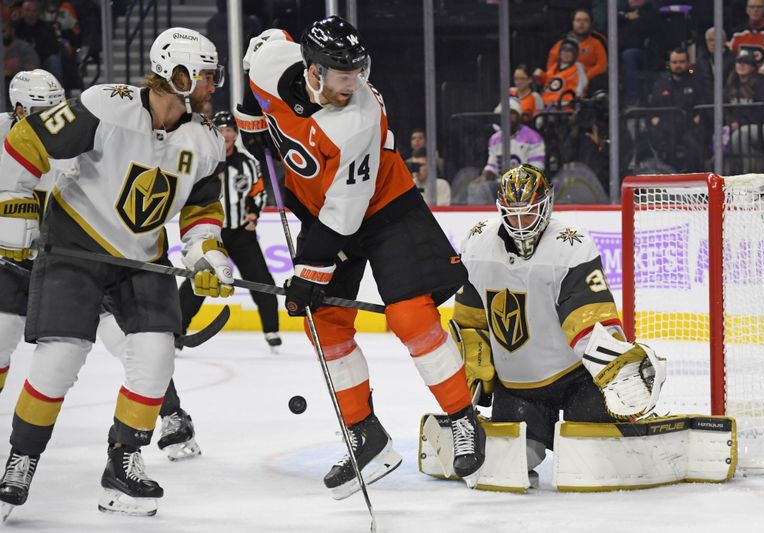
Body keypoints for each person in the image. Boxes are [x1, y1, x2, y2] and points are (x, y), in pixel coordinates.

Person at [238, 16, 485, 497]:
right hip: (319, 208)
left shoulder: (359, 117)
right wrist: (253, 120)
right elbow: (253, 61)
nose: (351, 85)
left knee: (410, 316)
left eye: (356, 74)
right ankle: (365, 435)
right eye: (340, 76)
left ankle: (462, 418)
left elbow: (344, 212)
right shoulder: (272, 59)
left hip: (386, 207)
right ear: (311, 69)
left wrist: (311, 270)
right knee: (323, 322)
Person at [0, 27, 229, 518]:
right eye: (205, 75)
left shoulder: (205, 141)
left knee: (156, 358)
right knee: (59, 359)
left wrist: (205, 254)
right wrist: (15, 205)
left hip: (142, 259)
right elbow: (28, 139)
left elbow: (201, 212)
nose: (214, 85)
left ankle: (122, 465)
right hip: (76, 246)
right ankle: (21, 460)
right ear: (176, 73)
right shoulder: (108, 104)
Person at [451, 164, 627, 481]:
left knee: (588, 459)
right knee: (514, 465)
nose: (519, 223)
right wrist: (475, 370)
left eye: (529, 213)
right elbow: (470, 321)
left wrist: (615, 369)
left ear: (546, 205)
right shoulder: (478, 243)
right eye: (512, 213)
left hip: (575, 380)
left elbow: (589, 318)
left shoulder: (571, 245)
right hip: (518, 387)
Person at [177, 110, 281, 351]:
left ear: (236, 133)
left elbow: (258, 193)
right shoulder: (204, 160)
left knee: (261, 281)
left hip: (241, 233)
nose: (226, 134)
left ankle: (272, 331)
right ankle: (177, 331)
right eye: (221, 130)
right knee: (199, 280)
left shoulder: (248, 163)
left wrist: (254, 213)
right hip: (212, 233)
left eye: (230, 130)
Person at [469, 97, 545, 205]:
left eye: (511, 114)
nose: (507, 117)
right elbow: (492, 166)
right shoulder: (495, 139)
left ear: (519, 116)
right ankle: (482, 219)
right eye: (504, 114)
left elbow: (537, 169)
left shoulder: (532, 137)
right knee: (478, 188)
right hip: (500, 186)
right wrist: (484, 177)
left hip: (525, 187)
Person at [646, 48, 706, 171]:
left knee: (693, 141)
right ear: (669, 64)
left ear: (687, 62)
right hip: (666, 126)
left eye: (681, 62)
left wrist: (698, 117)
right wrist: (654, 119)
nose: (678, 65)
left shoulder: (696, 82)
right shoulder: (661, 84)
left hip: (690, 125)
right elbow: (652, 109)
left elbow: (703, 104)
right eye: (675, 62)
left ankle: (694, 175)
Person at [544, 9, 607, 86]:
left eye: (585, 20)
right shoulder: (562, 42)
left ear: (590, 24)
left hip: (590, 81)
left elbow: (602, 65)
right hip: (564, 81)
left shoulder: (597, 42)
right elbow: (551, 64)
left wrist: (584, 78)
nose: (581, 23)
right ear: (572, 23)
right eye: (578, 20)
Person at [539, 37, 588, 111]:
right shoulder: (554, 67)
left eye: (570, 51)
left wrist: (576, 101)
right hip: (546, 104)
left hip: (564, 106)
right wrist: (540, 76)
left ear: (575, 54)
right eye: (563, 50)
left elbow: (581, 88)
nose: (566, 53)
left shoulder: (578, 67)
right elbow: (547, 84)